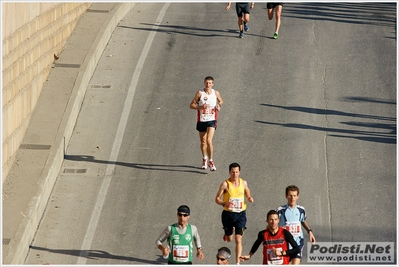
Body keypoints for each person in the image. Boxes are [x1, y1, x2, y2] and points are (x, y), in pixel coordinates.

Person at [215, 162, 254, 264]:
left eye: (236, 172)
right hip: (228, 215)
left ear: (239, 172)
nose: (235, 174)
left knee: (238, 239)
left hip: (240, 214)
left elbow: (247, 190)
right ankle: (228, 232)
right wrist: (224, 203)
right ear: (229, 172)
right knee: (229, 239)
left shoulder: (243, 183)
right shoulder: (225, 184)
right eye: (232, 172)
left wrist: (249, 197)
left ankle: (237, 263)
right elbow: (217, 199)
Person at [275, 185, 316, 264]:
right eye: (290, 195)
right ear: (286, 196)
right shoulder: (280, 211)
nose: (292, 198)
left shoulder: (301, 210)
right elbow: (272, 224)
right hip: (284, 244)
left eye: (294, 195)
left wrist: (310, 232)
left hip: (297, 243)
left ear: (298, 196)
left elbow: (303, 221)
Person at [189, 76, 224, 171]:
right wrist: (201, 107)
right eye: (206, 83)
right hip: (201, 120)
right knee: (203, 142)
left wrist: (219, 105)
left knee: (209, 140)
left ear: (213, 84)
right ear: (204, 83)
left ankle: (211, 161)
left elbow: (221, 100)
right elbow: (191, 105)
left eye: (210, 83)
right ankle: (205, 159)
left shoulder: (215, 93)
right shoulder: (200, 93)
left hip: (212, 120)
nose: (208, 85)